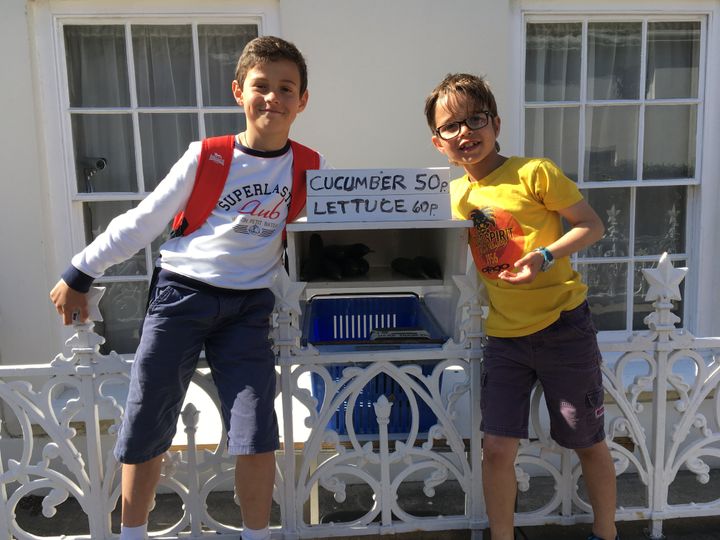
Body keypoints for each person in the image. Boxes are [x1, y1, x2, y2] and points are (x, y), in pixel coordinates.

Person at [50, 36, 325, 540]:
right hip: (182, 294)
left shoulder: (308, 166)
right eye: (261, 86)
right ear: (239, 90)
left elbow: (322, 229)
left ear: (302, 100)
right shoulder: (208, 156)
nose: (273, 98)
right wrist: (80, 271)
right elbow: (143, 221)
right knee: (149, 417)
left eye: (286, 88)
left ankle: (257, 534)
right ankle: (132, 532)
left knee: (255, 426)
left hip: (249, 308)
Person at [424, 73, 618, 540]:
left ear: (496, 123)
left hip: (564, 326)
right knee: (495, 449)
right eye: (451, 126)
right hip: (504, 336)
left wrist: (547, 254)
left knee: (587, 441)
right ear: (438, 142)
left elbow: (591, 225)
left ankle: (608, 533)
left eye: (476, 119)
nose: (465, 132)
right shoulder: (451, 197)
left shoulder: (535, 172)